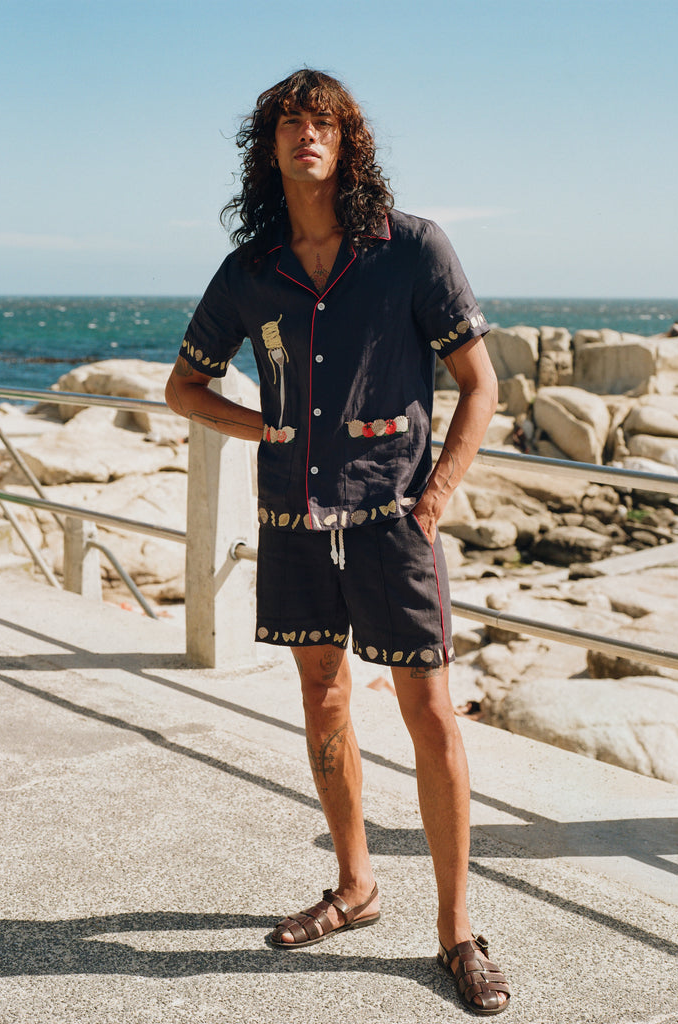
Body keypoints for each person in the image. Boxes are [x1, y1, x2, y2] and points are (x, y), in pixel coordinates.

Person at [165, 69, 510, 1016]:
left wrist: (435, 494)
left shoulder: (411, 250)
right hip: (292, 524)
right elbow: (183, 388)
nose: (305, 134)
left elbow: (479, 384)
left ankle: (454, 931)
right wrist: (260, 428)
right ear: (268, 147)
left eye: (322, 121)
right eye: (289, 122)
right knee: (322, 700)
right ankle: (355, 888)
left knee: (429, 712)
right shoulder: (250, 270)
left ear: (347, 141)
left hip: (394, 523)